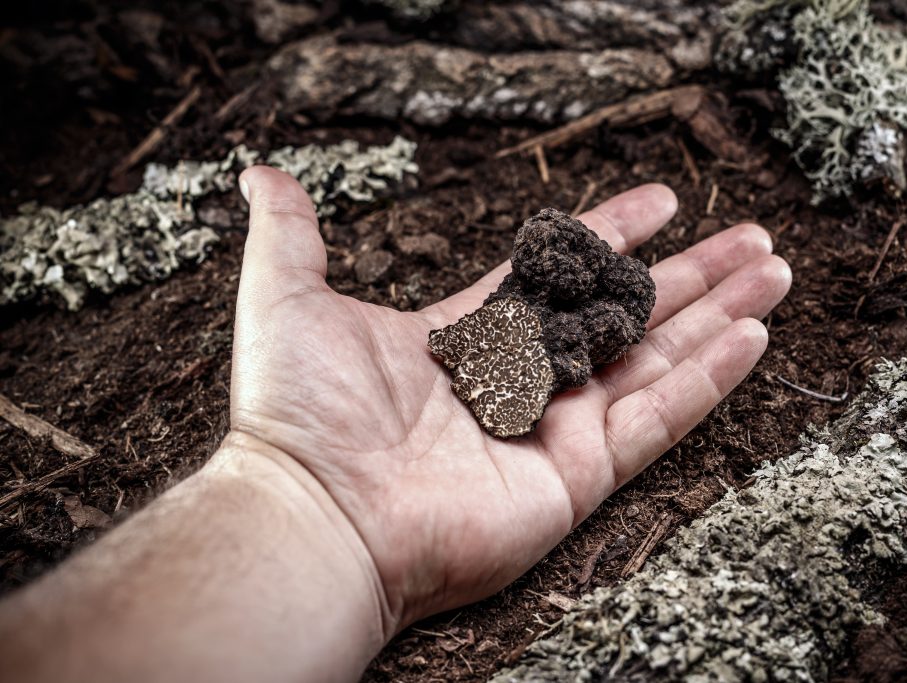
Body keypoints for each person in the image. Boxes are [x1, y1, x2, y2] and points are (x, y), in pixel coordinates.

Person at [0, 167, 791, 682]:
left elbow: (582, 328)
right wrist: (296, 475)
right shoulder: (519, 325)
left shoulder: (565, 326)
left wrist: (294, 496)